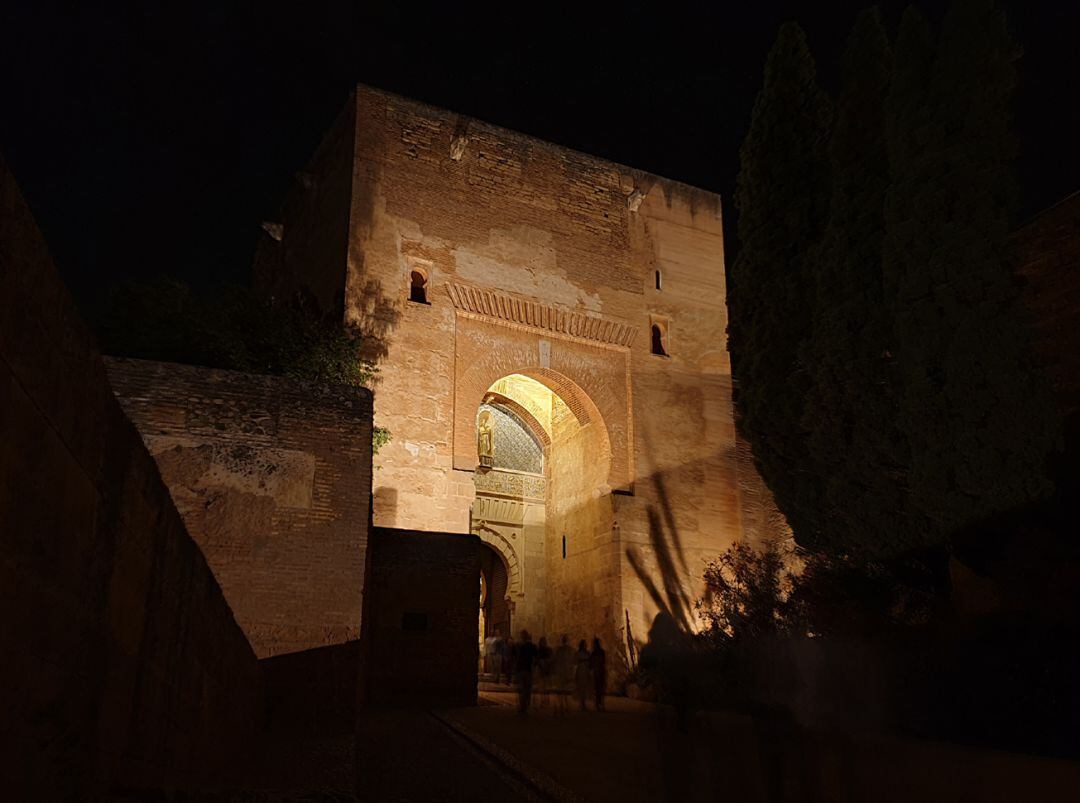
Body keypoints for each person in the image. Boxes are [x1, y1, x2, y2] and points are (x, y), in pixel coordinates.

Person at [515, 629, 538, 715]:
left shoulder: (521, 646)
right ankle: (524, 707)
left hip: (523, 670)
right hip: (527, 670)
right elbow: (536, 657)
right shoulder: (531, 646)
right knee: (526, 689)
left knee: (523, 689)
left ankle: (523, 707)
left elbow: (518, 659)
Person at [553, 635, 575, 717]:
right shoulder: (566, 650)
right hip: (562, 673)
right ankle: (562, 708)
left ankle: (562, 708)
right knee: (562, 692)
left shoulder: (561, 650)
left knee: (562, 692)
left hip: (562, 673)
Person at [590, 637, 607, 712]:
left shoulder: (594, 652)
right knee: (600, 688)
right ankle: (600, 704)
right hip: (600, 670)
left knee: (598, 689)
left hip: (597, 671)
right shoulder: (600, 652)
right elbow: (603, 661)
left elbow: (592, 663)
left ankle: (598, 704)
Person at [574, 639, 591, 711]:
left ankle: (583, 703)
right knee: (581, 687)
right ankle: (581, 703)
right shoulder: (578, 653)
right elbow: (575, 662)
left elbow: (589, 662)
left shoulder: (587, 653)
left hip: (585, 671)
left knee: (585, 687)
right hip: (581, 671)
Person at [536, 636, 553, 707]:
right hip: (541, 669)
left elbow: (551, 659)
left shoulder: (548, 649)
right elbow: (537, 658)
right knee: (542, 686)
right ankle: (543, 701)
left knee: (546, 686)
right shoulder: (539, 650)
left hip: (546, 669)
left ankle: (546, 700)